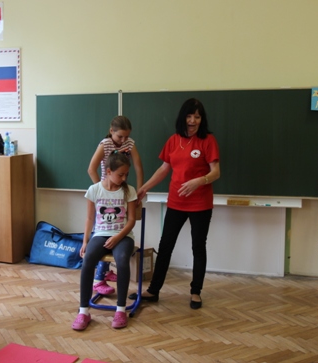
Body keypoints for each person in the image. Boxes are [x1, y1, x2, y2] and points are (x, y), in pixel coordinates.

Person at [130, 98, 220, 310]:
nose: (193, 121)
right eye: (189, 116)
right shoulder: (173, 140)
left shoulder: (208, 140)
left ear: (202, 119)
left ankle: (196, 292)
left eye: (197, 117)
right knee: (166, 246)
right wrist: (145, 188)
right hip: (176, 202)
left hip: (200, 204)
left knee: (198, 247)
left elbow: (216, 172)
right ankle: (153, 290)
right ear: (183, 118)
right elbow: (164, 169)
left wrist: (199, 181)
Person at [72, 151, 137, 331]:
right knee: (88, 260)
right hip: (100, 234)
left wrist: (117, 237)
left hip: (123, 236)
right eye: (120, 174)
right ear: (108, 171)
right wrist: (85, 241)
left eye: (126, 174)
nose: (124, 178)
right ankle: (84, 311)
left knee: (122, 261)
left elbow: (131, 220)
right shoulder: (94, 190)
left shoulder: (129, 191)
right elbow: (89, 219)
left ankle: (120, 310)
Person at [87, 115, 143, 296]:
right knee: (104, 232)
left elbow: (138, 167)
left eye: (127, 136)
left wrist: (140, 191)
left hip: (122, 193)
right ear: (111, 131)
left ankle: (105, 271)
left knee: (116, 231)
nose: (123, 140)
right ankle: (98, 279)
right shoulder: (105, 144)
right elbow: (91, 169)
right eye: (120, 136)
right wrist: (101, 191)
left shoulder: (130, 143)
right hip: (107, 194)